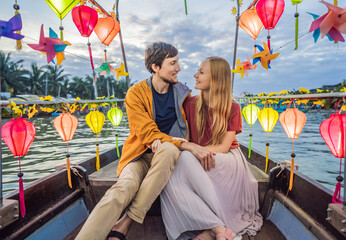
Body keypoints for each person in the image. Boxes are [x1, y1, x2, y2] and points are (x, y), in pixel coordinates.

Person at [76, 42, 191, 240]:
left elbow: (201, 116)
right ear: (156, 67)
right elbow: (147, 133)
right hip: (138, 156)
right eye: (172, 63)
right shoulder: (136, 93)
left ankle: (126, 221)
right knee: (124, 187)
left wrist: (163, 142)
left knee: (169, 150)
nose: (178, 68)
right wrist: (177, 142)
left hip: (168, 159)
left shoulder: (184, 94)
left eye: (177, 62)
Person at [160, 57, 263, 240]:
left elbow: (224, 147)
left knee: (185, 159)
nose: (195, 75)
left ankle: (210, 229)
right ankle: (217, 227)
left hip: (225, 158)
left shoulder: (232, 107)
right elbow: (187, 139)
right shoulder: (190, 104)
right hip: (197, 156)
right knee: (169, 176)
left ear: (215, 78)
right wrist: (193, 150)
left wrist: (197, 152)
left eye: (200, 72)